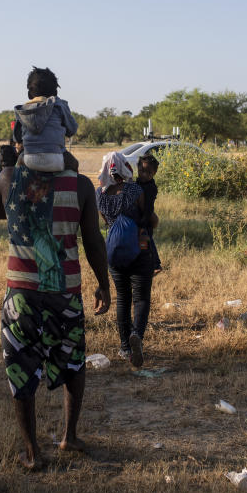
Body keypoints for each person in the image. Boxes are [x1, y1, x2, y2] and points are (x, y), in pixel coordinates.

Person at [0, 154, 111, 470]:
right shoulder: (81, 185)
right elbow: (94, 241)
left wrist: (11, 164)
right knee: (72, 359)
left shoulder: (8, 178)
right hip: (65, 293)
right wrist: (104, 284)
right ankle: (69, 436)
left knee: (20, 364)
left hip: (22, 293)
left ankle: (32, 452)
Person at [96, 151, 154, 368]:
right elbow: (145, 216)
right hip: (139, 248)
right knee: (141, 298)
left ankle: (124, 346)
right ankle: (137, 334)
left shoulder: (99, 194)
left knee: (122, 297)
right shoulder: (135, 189)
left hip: (114, 249)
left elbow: (106, 221)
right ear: (124, 167)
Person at [14, 67, 78, 172]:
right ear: (56, 92)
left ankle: (17, 187)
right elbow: (72, 130)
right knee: (75, 164)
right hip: (56, 159)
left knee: (16, 169)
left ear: (29, 94)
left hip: (29, 159)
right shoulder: (59, 105)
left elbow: (17, 137)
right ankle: (68, 187)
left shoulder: (22, 110)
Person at [135, 154, 161, 274]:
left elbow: (148, 208)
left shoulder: (150, 187)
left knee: (147, 241)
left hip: (145, 219)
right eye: (142, 171)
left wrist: (143, 223)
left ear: (154, 173)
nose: (144, 175)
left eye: (148, 172)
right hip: (139, 218)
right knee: (144, 242)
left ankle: (156, 264)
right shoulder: (139, 182)